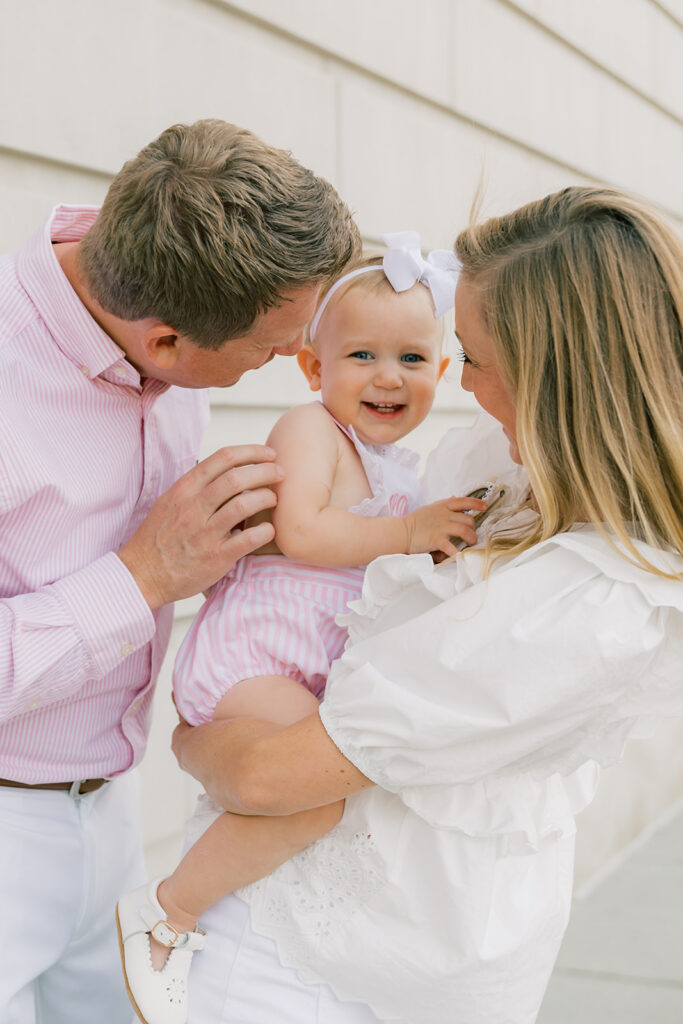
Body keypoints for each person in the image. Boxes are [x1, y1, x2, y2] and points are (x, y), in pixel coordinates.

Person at [169, 185, 683, 1024]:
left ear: (552, 378)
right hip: (289, 922)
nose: (457, 382)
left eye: (469, 358)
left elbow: (267, 776)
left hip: (354, 957)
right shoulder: (508, 467)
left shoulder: (592, 602)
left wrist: (194, 741)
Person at [0, 117, 359, 1024]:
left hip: (112, 817)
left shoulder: (155, 312)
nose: (291, 359)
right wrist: (144, 575)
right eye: (270, 348)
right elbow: (135, 575)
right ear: (164, 344)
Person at [116, 235, 497, 1024]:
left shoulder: (400, 466)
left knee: (320, 792)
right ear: (315, 370)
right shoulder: (309, 429)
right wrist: (411, 531)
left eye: (412, 359)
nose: (388, 376)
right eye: (361, 355)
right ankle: (166, 912)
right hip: (256, 655)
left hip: (301, 665)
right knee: (314, 796)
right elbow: (303, 535)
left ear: (442, 372)